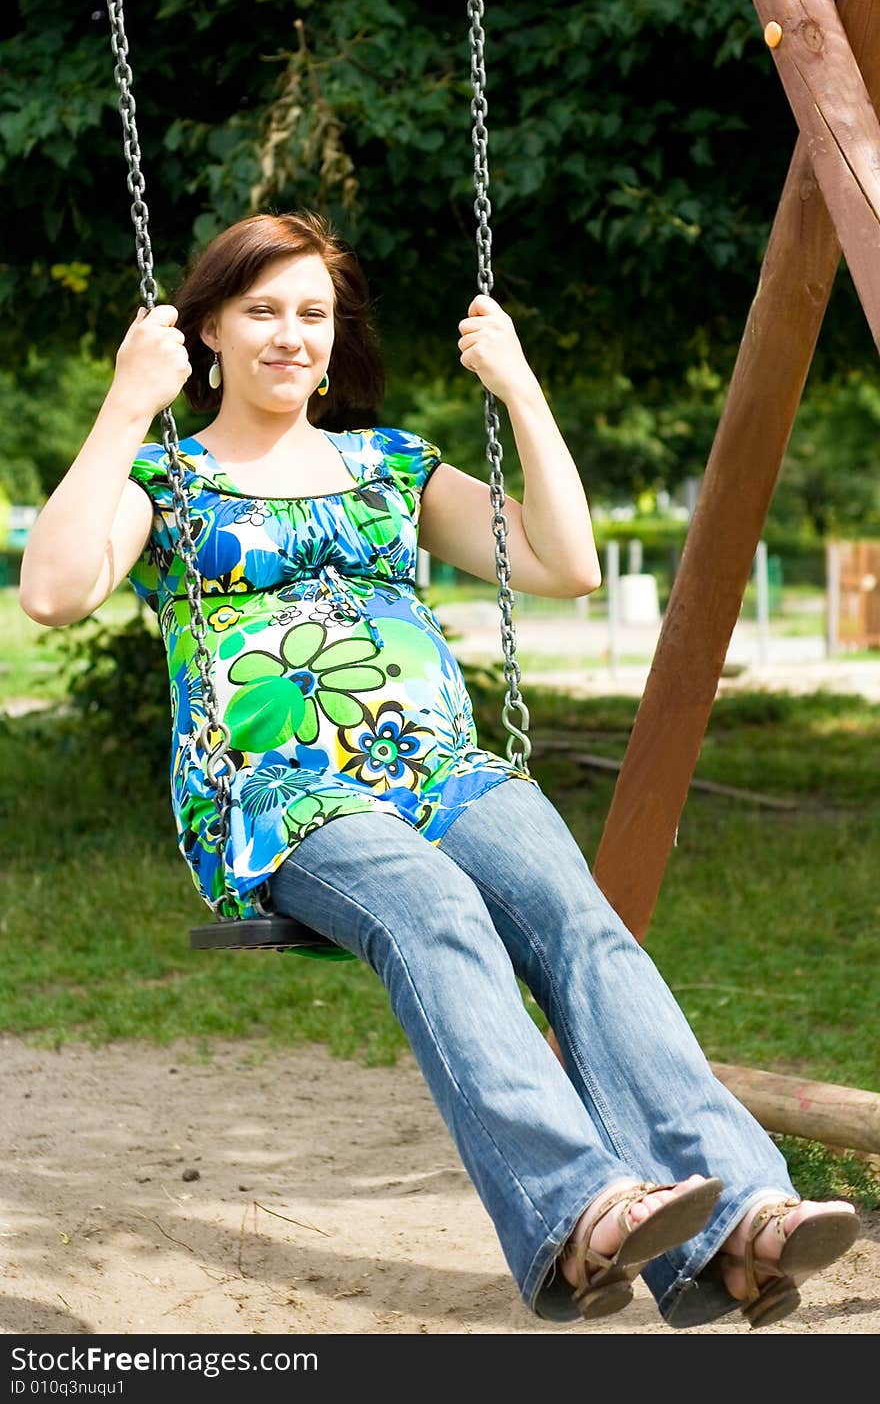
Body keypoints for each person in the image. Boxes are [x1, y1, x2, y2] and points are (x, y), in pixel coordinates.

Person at [19, 209, 860, 1330]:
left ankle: (743, 1224)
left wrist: (519, 388)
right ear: (206, 329)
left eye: (311, 313)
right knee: (437, 912)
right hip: (283, 795)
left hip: (439, 768)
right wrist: (126, 406)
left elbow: (561, 563)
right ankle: (581, 1212)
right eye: (260, 311)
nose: (290, 335)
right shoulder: (167, 483)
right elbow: (54, 590)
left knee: (579, 921)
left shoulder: (387, 465)